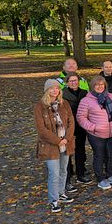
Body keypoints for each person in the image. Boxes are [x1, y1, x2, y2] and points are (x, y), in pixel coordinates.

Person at [35, 79, 76, 213]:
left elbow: (71, 122)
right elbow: (41, 130)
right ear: (46, 90)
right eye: (51, 88)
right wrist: (58, 140)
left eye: (57, 88)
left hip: (66, 143)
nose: (54, 90)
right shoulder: (40, 107)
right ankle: (53, 200)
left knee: (64, 170)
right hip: (50, 145)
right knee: (54, 173)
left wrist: (67, 138)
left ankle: (61, 193)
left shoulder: (65, 104)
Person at [76, 76, 112, 190]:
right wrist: (93, 127)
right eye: (97, 85)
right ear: (92, 86)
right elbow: (81, 117)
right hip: (96, 134)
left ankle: (110, 174)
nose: (99, 87)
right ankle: (100, 178)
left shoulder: (111, 96)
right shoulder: (86, 100)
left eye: (102, 84)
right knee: (99, 156)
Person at [62, 73, 89, 189]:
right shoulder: (63, 94)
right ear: (67, 82)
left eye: (76, 80)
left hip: (81, 125)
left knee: (80, 150)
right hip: (68, 126)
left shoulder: (84, 93)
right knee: (67, 152)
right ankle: (67, 176)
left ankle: (81, 173)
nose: (74, 83)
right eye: (71, 81)